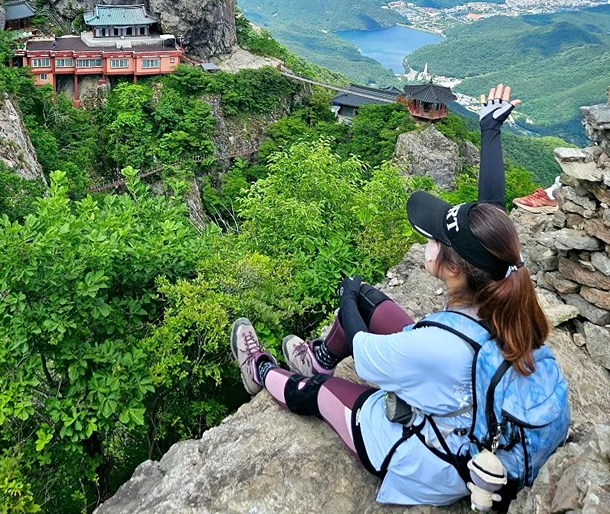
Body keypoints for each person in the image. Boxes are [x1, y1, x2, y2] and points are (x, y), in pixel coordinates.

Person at [230, 84, 563, 508]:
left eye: (435, 239)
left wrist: (347, 302)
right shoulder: (502, 283)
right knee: (371, 299)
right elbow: (492, 214)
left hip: (427, 458)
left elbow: (364, 351)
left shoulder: (432, 344)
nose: (427, 240)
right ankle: (319, 357)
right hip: (464, 390)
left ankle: (261, 373)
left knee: (317, 393)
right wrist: (489, 134)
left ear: (454, 267)